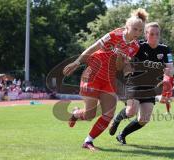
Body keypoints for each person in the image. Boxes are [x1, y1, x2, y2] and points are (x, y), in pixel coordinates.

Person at [63, 8, 148, 151]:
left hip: (109, 79)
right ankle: (77, 114)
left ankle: (88, 141)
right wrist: (77, 62)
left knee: (108, 114)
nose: (138, 33)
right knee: (89, 114)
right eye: (135, 29)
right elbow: (93, 47)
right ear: (127, 27)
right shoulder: (114, 34)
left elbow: (120, 67)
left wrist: (122, 59)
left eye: (140, 30)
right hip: (93, 74)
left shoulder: (135, 46)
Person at [109, 22, 174, 144]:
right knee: (130, 111)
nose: (154, 36)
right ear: (145, 34)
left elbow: (171, 69)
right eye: (151, 34)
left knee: (143, 119)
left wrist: (169, 71)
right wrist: (125, 60)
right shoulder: (138, 46)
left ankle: (122, 135)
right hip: (134, 83)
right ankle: (116, 120)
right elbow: (125, 59)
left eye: (157, 34)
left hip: (150, 87)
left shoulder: (165, 49)